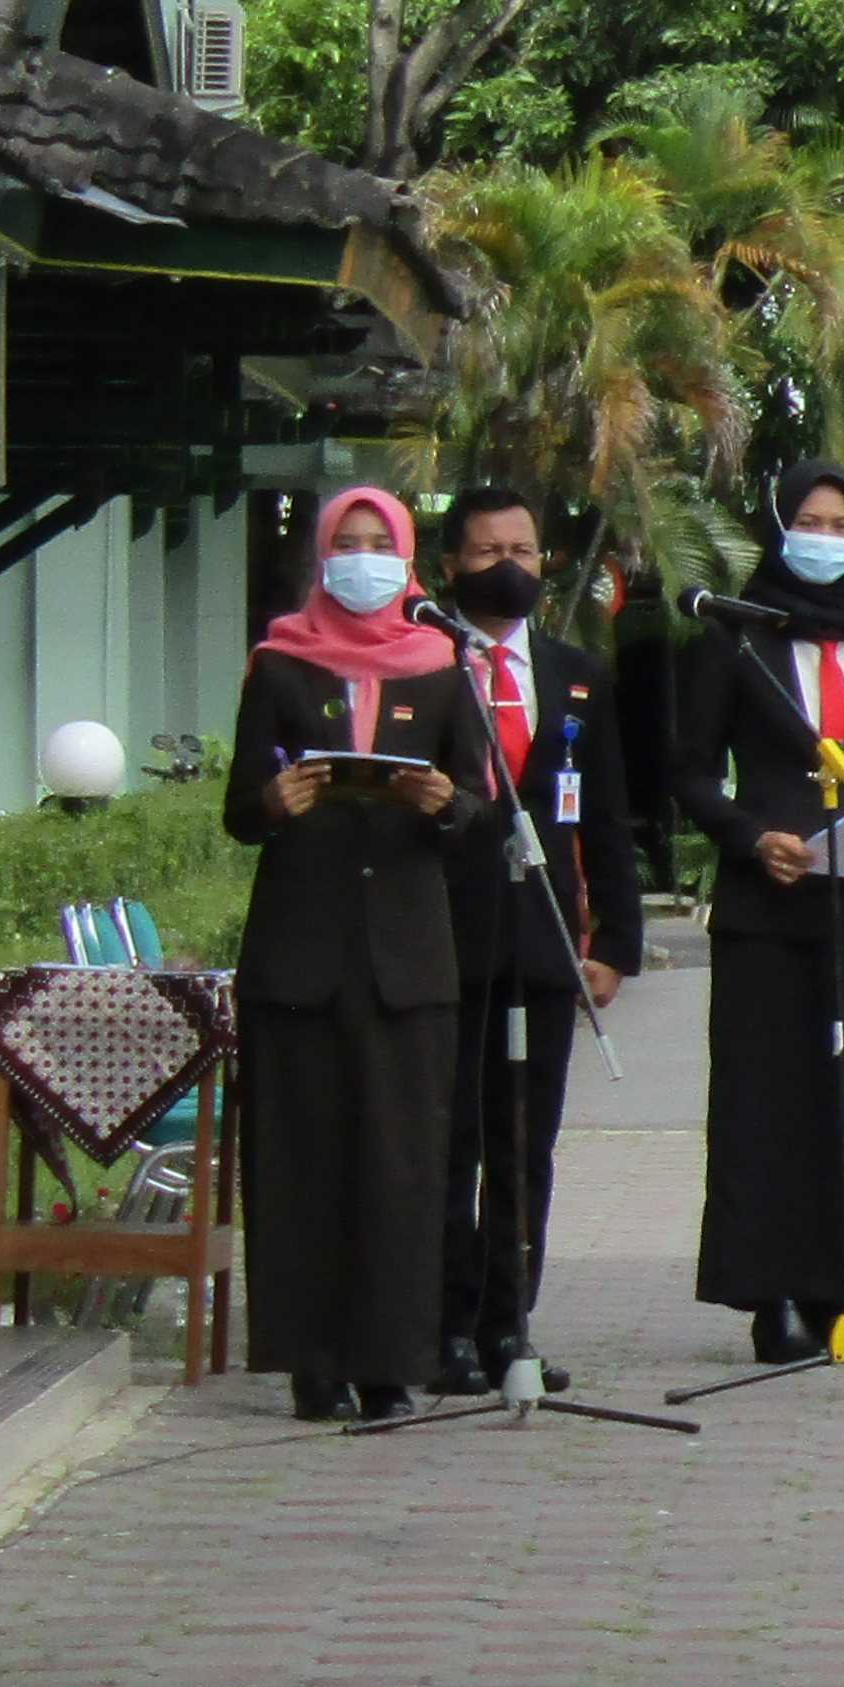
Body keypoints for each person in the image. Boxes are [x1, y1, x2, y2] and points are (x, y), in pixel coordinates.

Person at [224, 486, 483, 1427]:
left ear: (408, 560)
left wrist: (442, 803)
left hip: (408, 959)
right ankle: (308, 1360)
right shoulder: (281, 665)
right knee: (302, 1162)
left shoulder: (443, 667)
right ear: (322, 556)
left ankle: (389, 1362)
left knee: (400, 1165)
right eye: (349, 542)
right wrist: (275, 802)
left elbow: (479, 808)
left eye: (381, 544)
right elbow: (240, 809)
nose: (363, 559)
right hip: (300, 953)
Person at [678, 468, 844, 1363]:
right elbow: (688, 770)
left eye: (841, 523)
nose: (826, 536)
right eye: (809, 521)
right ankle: (770, 1298)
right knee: (764, 1100)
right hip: (767, 901)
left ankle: (839, 1289)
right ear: (780, 530)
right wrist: (745, 834)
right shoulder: (737, 639)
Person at [432, 485, 642, 1392]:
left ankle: (509, 1324)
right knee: (453, 1144)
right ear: (450, 566)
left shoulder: (576, 674)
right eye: (487, 552)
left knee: (527, 1144)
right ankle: (442, 1327)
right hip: (444, 941)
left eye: (523, 548)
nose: (508, 566)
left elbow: (606, 817)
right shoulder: (427, 666)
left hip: (547, 940)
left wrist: (618, 944)